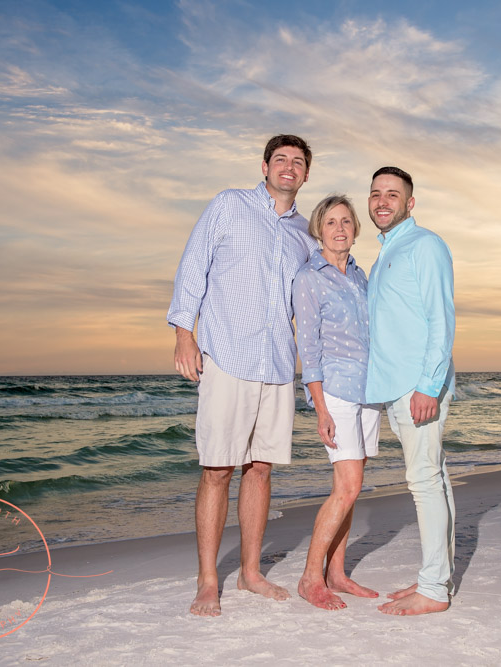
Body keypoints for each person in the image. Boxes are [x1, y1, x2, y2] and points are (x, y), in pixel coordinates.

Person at [166, 134, 317, 617]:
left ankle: (251, 573)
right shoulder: (229, 205)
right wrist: (183, 334)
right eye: (281, 160)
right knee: (216, 468)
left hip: (276, 362)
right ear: (265, 165)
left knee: (261, 468)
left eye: (297, 162)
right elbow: (193, 266)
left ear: (306, 174)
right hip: (227, 356)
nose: (288, 168)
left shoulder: (305, 234)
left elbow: (315, 296)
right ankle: (208, 579)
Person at [365, 166, 456, 616]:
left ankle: (434, 589)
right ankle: (437, 578)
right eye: (376, 193)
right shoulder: (386, 254)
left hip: (417, 387)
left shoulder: (425, 245)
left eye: (393, 194)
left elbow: (441, 320)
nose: (383, 201)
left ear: (410, 203)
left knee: (423, 482)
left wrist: (428, 386)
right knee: (433, 477)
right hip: (396, 387)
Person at [292, 194, 381, 610]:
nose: (340, 228)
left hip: (368, 392)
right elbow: (308, 348)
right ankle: (311, 577)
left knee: (350, 490)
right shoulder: (310, 278)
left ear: (355, 229)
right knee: (347, 487)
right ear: (318, 230)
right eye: (331, 222)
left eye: (346, 221)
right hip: (338, 394)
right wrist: (320, 408)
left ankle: (337, 572)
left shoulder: (362, 278)